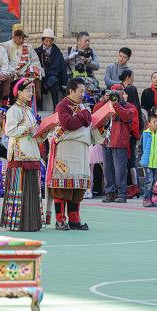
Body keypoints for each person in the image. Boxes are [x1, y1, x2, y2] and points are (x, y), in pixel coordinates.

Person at [46, 77, 105, 231]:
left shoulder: (83, 108)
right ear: (71, 91)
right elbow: (69, 124)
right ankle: (60, 220)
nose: (82, 94)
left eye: (84, 91)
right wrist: (85, 116)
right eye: (80, 91)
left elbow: (89, 127)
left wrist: (102, 122)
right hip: (65, 150)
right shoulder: (62, 106)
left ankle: (74, 219)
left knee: (76, 188)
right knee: (62, 187)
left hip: (80, 151)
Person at [0, 78, 43, 231]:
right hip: (19, 154)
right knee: (20, 187)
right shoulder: (14, 110)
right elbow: (9, 131)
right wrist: (28, 130)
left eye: (32, 90)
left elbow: (33, 132)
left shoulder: (28, 111)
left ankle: (30, 223)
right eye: (28, 90)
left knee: (30, 189)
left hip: (31, 152)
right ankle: (18, 223)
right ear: (19, 92)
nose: (31, 93)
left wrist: (43, 131)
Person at [96, 84, 133, 203]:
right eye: (114, 93)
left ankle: (122, 194)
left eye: (119, 93)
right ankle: (110, 193)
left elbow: (127, 116)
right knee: (107, 170)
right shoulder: (106, 105)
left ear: (123, 94)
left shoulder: (128, 106)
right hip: (106, 140)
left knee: (120, 170)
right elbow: (95, 114)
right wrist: (103, 101)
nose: (116, 95)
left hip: (119, 141)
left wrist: (116, 105)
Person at [1, 24, 44, 109]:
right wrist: (11, 71)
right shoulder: (5, 46)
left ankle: (32, 104)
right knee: (7, 78)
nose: (21, 39)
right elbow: (3, 62)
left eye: (22, 37)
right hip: (11, 72)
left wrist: (31, 69)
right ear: (14, 36)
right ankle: (6, 103)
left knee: (35, 78)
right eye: (18, 37)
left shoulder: (28, 47)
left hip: (25, 74)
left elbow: (35, 61)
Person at [35, 28, 67, 111]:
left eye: (50, 41)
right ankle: (39, 106)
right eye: (46, 41)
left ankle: (56, 105)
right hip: (41, 76)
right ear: (43, 41)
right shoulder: (37, 52)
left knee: (54, 81)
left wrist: (65, 83)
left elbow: (61, 67)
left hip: (53, 77)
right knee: (38, 82)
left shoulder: (57, 52)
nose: (48, 43)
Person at [140, 114, 157, 207]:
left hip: (156, 163)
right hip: (148, 163)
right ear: (149, 123)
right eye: (154, 122)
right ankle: (146, 199)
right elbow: (140, 147)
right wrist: (143, 158)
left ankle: (150, 199)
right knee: (149, 181)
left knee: (154, 182)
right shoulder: (146, 134)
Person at [124, 86, 143, 199]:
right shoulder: (135, 107)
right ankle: (133, 187)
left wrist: (132, 134)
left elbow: (134, 125)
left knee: (130, 163)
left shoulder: (132, 108)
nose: (124, 96)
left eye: (125, 94)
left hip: (130, 137)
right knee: (129, 163)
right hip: (132, 137)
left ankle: (134, 187)